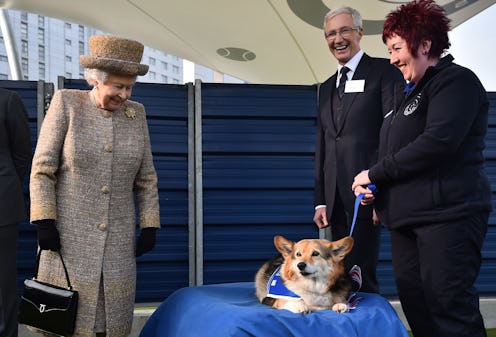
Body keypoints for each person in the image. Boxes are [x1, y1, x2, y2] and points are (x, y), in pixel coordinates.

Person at [351, 1, 491, 336]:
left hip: (448, 217)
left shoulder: (457, 82)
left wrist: (374, 174)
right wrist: (377, 192)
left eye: (397, 48)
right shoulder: (405, 96)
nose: (393, 58)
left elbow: (438, 142)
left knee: (449, 306)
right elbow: (395, 153)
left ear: (424, 45)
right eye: (390, 50)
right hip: (405, 222)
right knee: (417, 306)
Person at [29, 34, 160, 336]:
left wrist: (150, 223)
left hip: (118, 239)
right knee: (64, 322)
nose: (125, 94)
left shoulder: (136, 114)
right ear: (97, 80)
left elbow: (146, 177)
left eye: (130, 87)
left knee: (111, 323)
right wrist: (44, 220)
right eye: (119, 86)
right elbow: (42, 169)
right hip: (67, 238)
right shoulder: (67, 104)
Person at [313, 6, 404, 293]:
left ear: (360, 33)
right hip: (334, 199)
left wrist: (377, 182)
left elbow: (393, 131)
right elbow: (324, 142)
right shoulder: (326, 87)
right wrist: (320, 200)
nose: (337, 39)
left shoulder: (384, 72)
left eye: (344, 30)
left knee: (362, 271)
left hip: (365, 192)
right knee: (336, 276)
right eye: (330, 34)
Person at [0, 88, 31, 337]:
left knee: (2, 286)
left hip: (2, 209)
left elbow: (22, 155)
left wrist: (6, 187)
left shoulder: (9, 100)